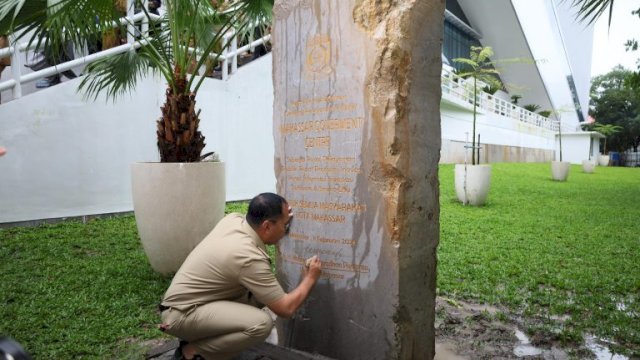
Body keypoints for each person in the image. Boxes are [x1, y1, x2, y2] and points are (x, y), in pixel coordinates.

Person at [159, 193, 322, 360]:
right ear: (266, 226)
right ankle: (193, 352)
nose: (286, 231)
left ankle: (202, 336)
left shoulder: (234, 220)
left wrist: (281, 213)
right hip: (180, 315)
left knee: (260, 297)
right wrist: (310, 278)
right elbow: (285, 308)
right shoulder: (247, 256)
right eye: (285, 225)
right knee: (260, 324)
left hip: (189, 303)